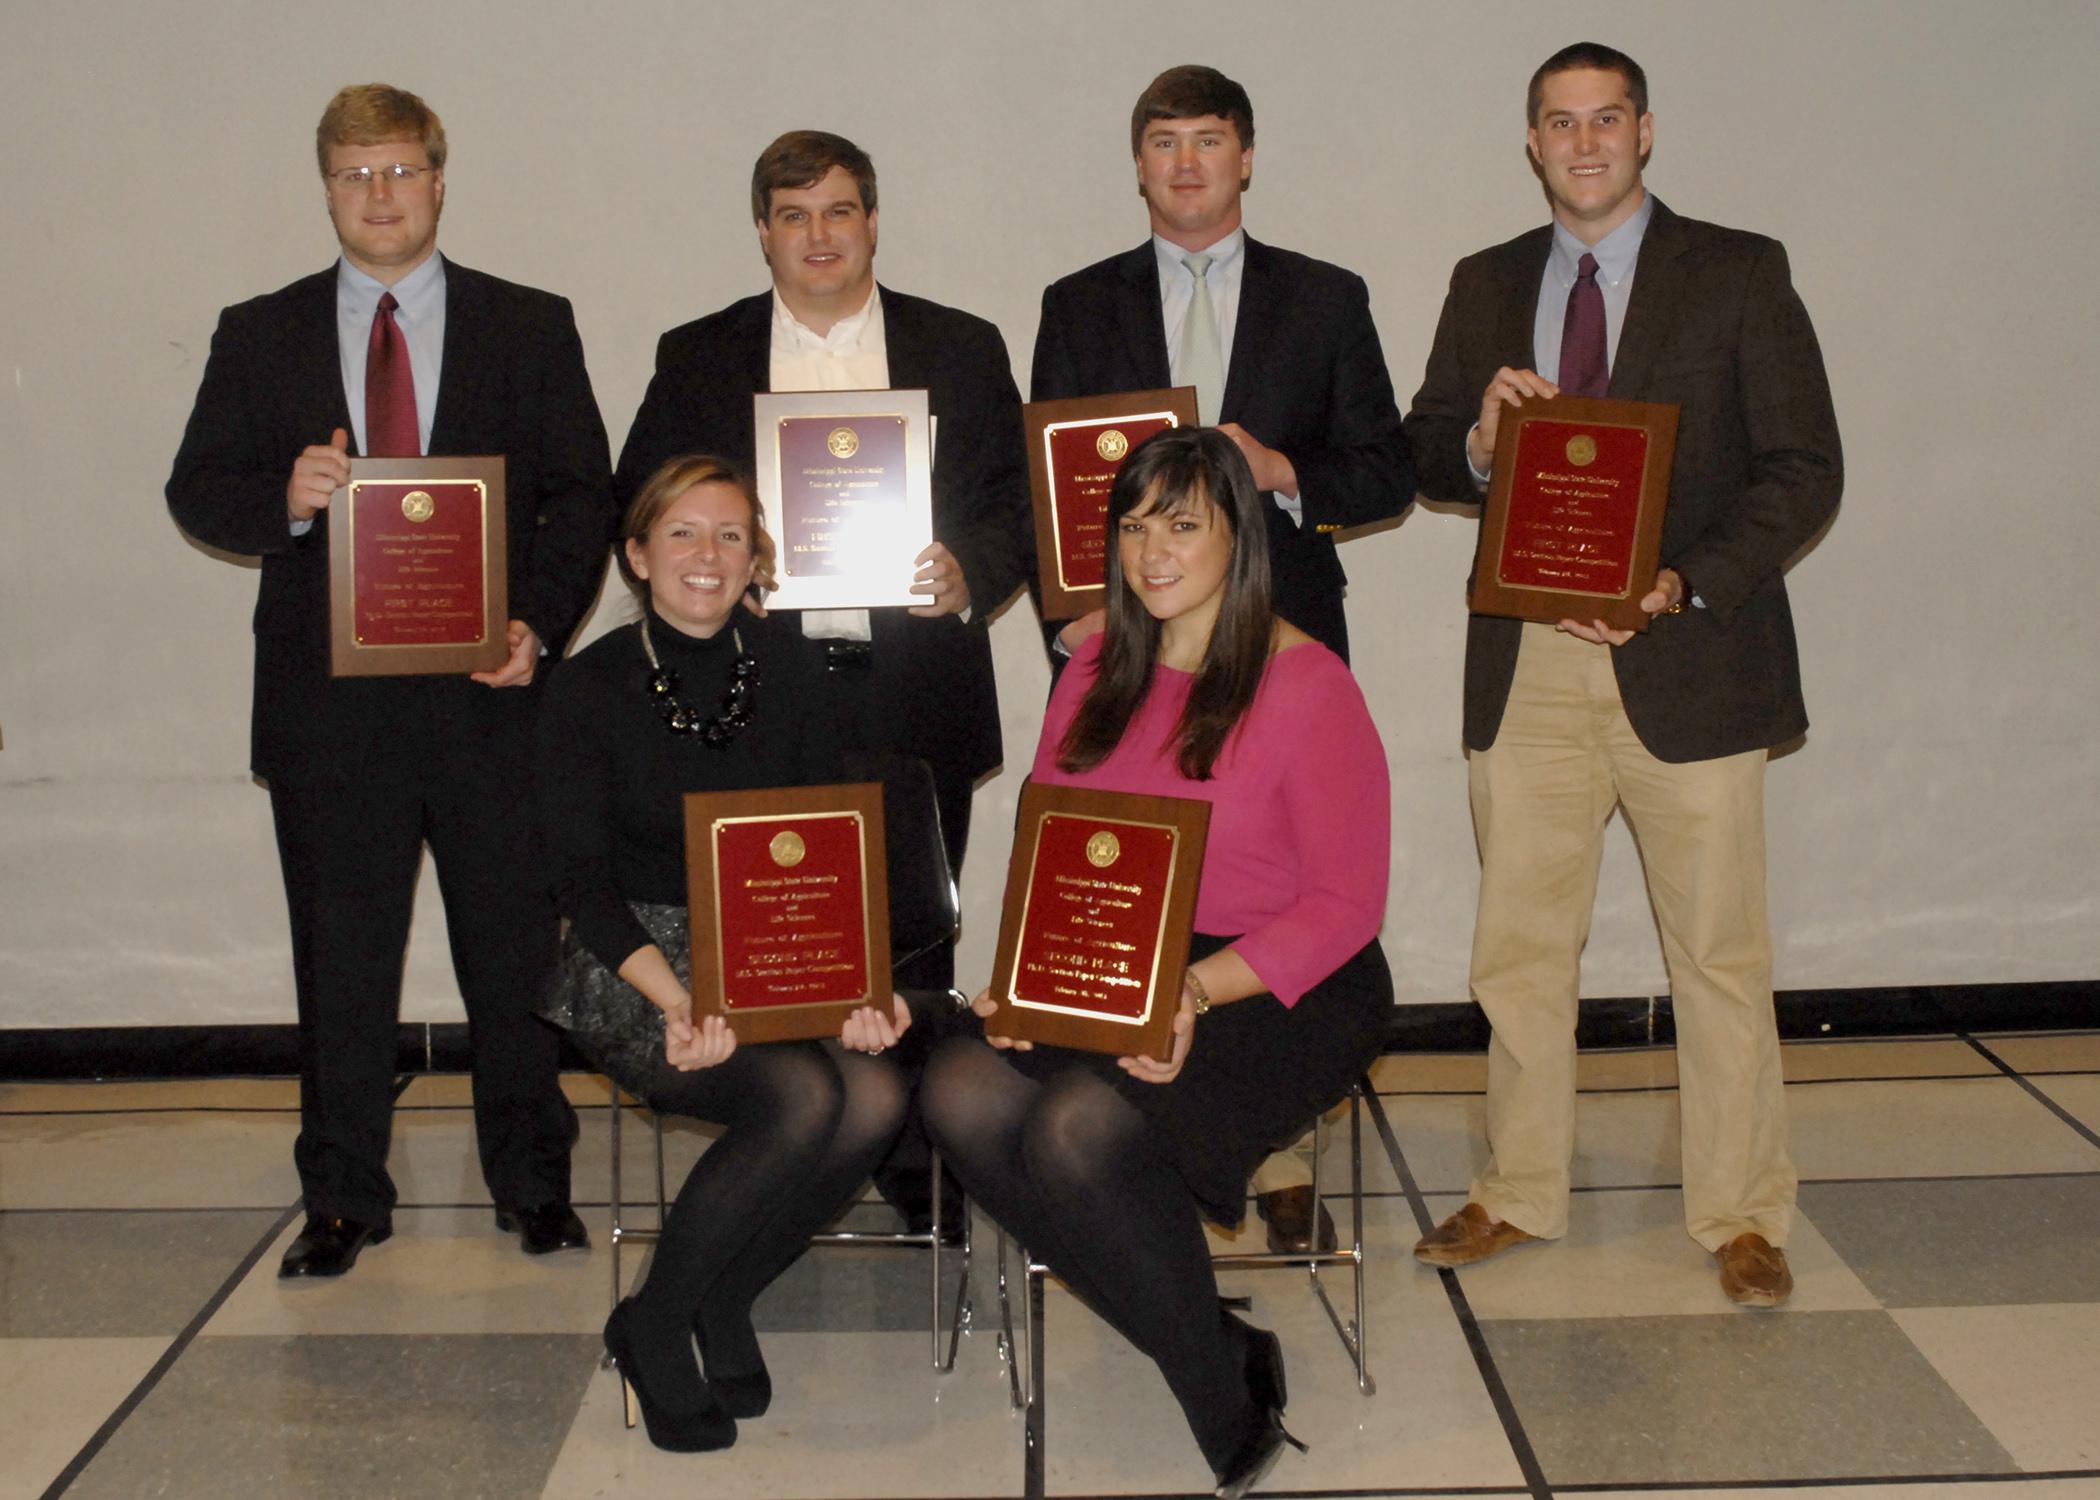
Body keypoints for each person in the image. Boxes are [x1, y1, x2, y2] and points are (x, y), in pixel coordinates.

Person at [1401, 42, 1842, 1307]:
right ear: (1531, 143)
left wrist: (1682, 580)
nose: (1584, 142)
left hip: (1688, 655)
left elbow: (1805, 466)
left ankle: (1744, 1211)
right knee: (1519, 951)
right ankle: (1518, 1190)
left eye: (1607, 119)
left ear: (1646, 133)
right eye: (1559, 122)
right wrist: (1480, 448)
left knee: (1716, 951)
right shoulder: (1486, 281)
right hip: (1527, 663)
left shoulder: (1739, 271)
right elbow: (1430, 451)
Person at [165, 84, 613, 1277]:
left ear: (438, 180)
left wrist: (537, 625)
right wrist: (286, 501)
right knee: (342, 962)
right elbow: (196, 489)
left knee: (515, 961)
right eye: (356, 175)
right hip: (330, 715)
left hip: (491, 695)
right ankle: (344, 1195)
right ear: (326, 187)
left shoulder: (530, 322)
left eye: (401, 171)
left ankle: (533, 1181)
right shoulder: (258, 331)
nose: (381, 195)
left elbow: (583, 494)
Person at [922, 428, 1392, 1499]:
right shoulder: (1094, 662)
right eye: (1133, 526)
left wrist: (1192, 988)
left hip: (1276, 976)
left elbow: (1346, 907)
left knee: (1075, 1129)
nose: (1152, 551)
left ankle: (1217, 1396)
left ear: (1240, 534)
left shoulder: (1307, 682)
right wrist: (1021, 977)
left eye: (1182, 524)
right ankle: (1205, 1331)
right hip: (1122, 948)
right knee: (958, 1087)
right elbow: (1051, 837)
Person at [615, 128, 1031, 1233]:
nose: (819, 237)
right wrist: (724, 572)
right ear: (762, 232)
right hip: (760, 689)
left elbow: (1015, 507)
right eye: (793, 217)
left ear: (873, 221)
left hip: (915, 686)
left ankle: (919, 1159)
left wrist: (967, 570)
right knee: (777, 922)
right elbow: (642, 500)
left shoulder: (963, 344)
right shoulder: (698, 355)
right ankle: (804, 1133)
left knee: (915, 932)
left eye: (840, 212)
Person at [1029, 65, 1416, 1253]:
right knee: (1124, 871)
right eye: (1164, 142)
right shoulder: (1079, 301)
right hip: (1132, 653)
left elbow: (1387, 472)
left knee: (1282, 878)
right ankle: (1148, 1141)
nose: (1187, 162)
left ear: (1246, 158)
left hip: (1277, 646)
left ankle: (1265, 1147)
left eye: (1210, 141)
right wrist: (1073, 611)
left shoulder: (1325, 297)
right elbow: (1065, 494)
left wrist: (1280, 470)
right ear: (1138, 164)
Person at [535, 455, 915, 1452]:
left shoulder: (792, 672)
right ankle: (658, 1323)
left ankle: (719, 1293)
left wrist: (860, 990)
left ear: (759, 560)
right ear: (636, 554)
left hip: (770, 945)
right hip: (635, 959)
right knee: (803, 1100)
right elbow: (580, 885)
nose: (708, 555)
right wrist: (675, 1002)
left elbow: (827, 851)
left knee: (874, 1094)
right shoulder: (586, 688)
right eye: (682, 533)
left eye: (732, 536)